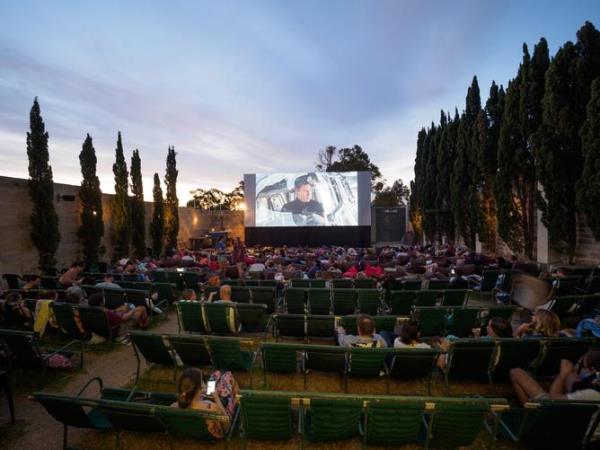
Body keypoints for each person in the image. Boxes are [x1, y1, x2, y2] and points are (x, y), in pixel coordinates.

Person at [510, 349, 600, 403]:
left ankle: (531, 411)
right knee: (570, 370)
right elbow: (578, 386)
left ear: (592, 370)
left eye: (584, 367)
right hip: (576, 404)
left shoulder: (592, 393)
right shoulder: (594, 382)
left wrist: (562, 375)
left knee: (515, 372)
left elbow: (554, 399)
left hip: (554, 410)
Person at [172, 367, 239, 439]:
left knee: (216, 375)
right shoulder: (213, 408)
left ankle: (218, 381)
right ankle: (238, 398)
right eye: (202, 381)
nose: (203, 383)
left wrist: (204, 394)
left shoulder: (177, 405)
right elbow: (227, 426)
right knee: (228, 376)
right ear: (199, 387)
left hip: (205, 398)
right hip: (224, 407)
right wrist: (216, 399)